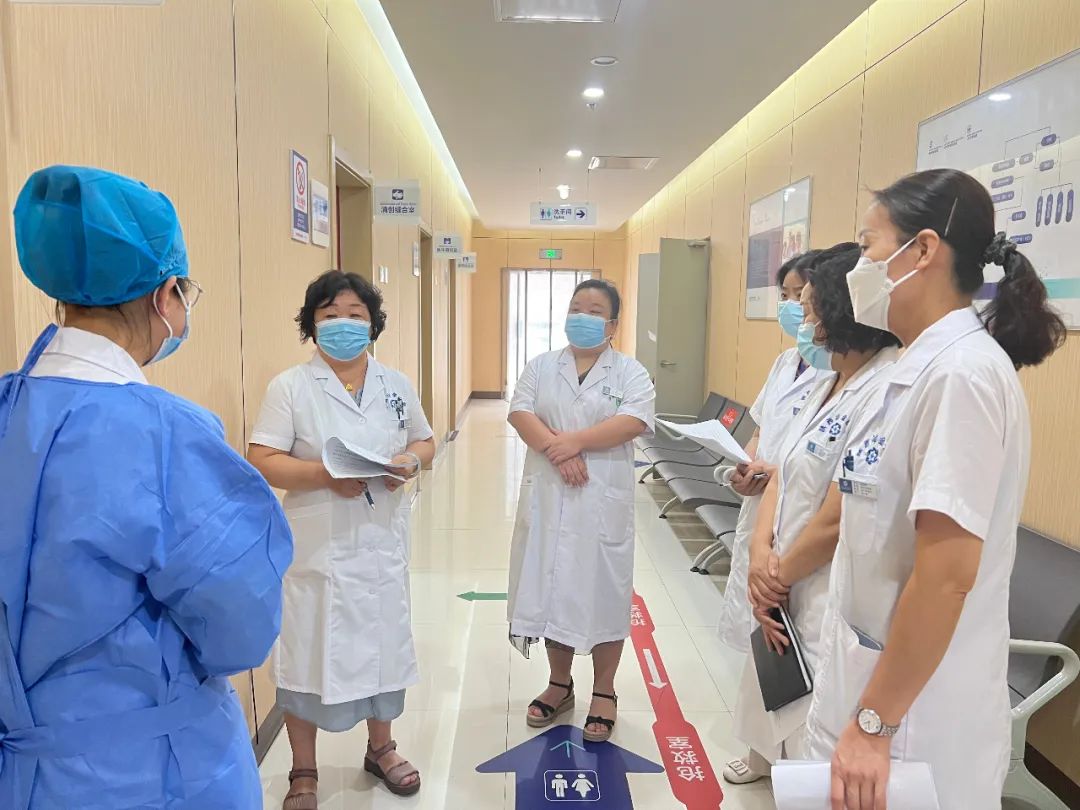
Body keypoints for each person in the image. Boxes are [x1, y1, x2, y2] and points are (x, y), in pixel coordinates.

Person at [0, 165, 292, 809]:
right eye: (185, 293)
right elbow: (241, 629)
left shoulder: (9, 412)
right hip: (148, 772)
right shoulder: (165, 436)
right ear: (166, 297)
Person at [803, 169, 1065, 810]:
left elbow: (947, 576)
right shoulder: (912, 368)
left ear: (921, 250)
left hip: (913, 723)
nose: (858, 266)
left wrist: (874, 725)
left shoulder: (961, 378)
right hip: (870, 684)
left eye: (868, 245)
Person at [248, 270, 436, 807]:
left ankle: (382, 749)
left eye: (355, 314)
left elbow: (424, 441)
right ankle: (303, 769)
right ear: (311, 324)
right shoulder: (290, 386)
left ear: (373, 324)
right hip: (319, 544)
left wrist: (409, 462)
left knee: (382, 644)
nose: (343, 324)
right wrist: (324, 475)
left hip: (380, 538)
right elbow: (262, 458)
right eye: (330, 315)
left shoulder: (396, 385)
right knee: (308, 650)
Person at [732, 244, 900, 776]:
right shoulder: (828, 381)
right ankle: (769, 766)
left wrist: (775, 576)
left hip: (823, 583)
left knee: (814, 727)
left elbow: (839, 514)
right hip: (783, 571)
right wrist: (760, 550)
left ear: (840, 314)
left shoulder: (884, 389)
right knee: (778, 697)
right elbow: (782, 467)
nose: (803, 323)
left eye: (808, 310)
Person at [506, 279, 655, 743]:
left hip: (600, 500)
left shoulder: (631, 372)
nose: (582, 316)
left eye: (594, 310)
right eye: (576, 307)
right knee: (553, 589)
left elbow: (633, 420)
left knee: (604, 592)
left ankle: (604, 691)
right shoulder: (541, 366)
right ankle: (559, 684)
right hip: (550, 494)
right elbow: (520, 412)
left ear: (612, 324)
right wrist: (560, 451)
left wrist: (575, 442)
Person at [718, 249, 826, 783]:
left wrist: (774, 473)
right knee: (764, 642)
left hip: (801, 527)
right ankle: (761, 752)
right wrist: (743, 469)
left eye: (799, 298)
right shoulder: (786, 363)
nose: (791, 309)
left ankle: (790, 762)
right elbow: (761, 433)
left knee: (796, 646)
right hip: (763, 512)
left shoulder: (842, 375)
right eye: (785, 297)